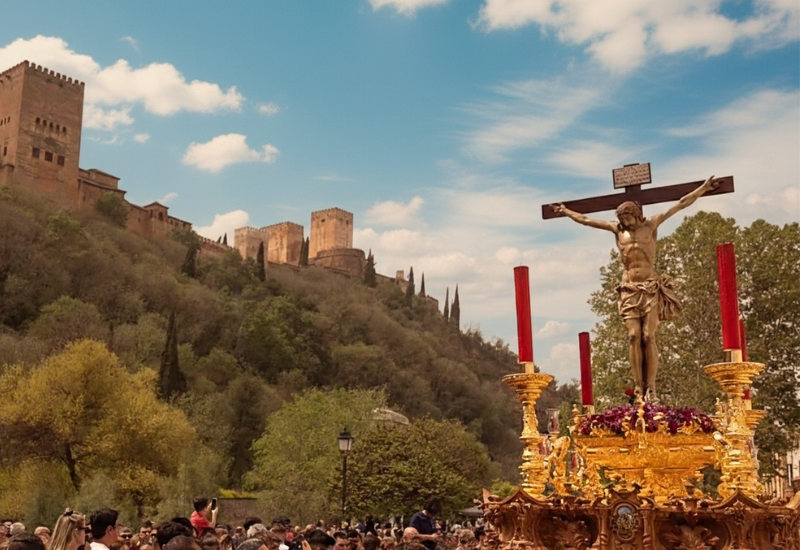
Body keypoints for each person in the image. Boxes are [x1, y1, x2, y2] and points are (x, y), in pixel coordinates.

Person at [551, 175, 718, 400]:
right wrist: (566, 211)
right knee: (633, 336)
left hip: (649, 287)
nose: (626, 221)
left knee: (648, 336)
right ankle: (638, 387)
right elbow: (586, 220)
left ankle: (652, 387)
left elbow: (680, 204)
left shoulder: (652, 224)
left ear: (637, 214)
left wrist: (703, 188)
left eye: (628, 217)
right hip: (629, 288)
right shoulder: (617, 230)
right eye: (622, 218)